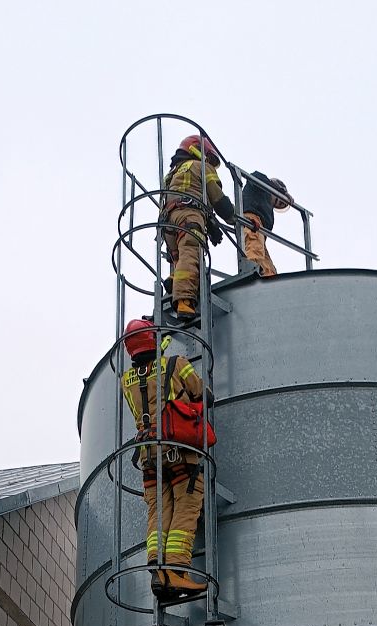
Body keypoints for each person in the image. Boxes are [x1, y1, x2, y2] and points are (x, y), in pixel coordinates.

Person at [120, 318, 209, 599]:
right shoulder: (175, 363)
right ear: (153, 339)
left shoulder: (126, 381)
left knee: (159, 509)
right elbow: (202, 394)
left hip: (148, 455)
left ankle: (158, 571)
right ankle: (177, 572)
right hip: (177, 449)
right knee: (188, 502)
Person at [161, 135, 236, 321]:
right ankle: (184, 300)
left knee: (179, 256)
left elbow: (185, 194)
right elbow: (216, 197)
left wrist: (210, 224)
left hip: (167, 223)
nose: (209, 162)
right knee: (191, 252)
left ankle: (174, 279)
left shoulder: (171, 174)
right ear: (197, 150)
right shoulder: (201, 167)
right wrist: (233, 217)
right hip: (189, 216)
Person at [241, 172, 292, 277]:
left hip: (260, 231)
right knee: (255, 251)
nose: (276, 204)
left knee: (268, 267)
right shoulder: (262, 185)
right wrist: (284, 194)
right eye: (278, 200)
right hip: (252, 221)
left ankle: (269, 281)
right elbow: (253, 176)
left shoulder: (268, 208)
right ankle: (252, 276)